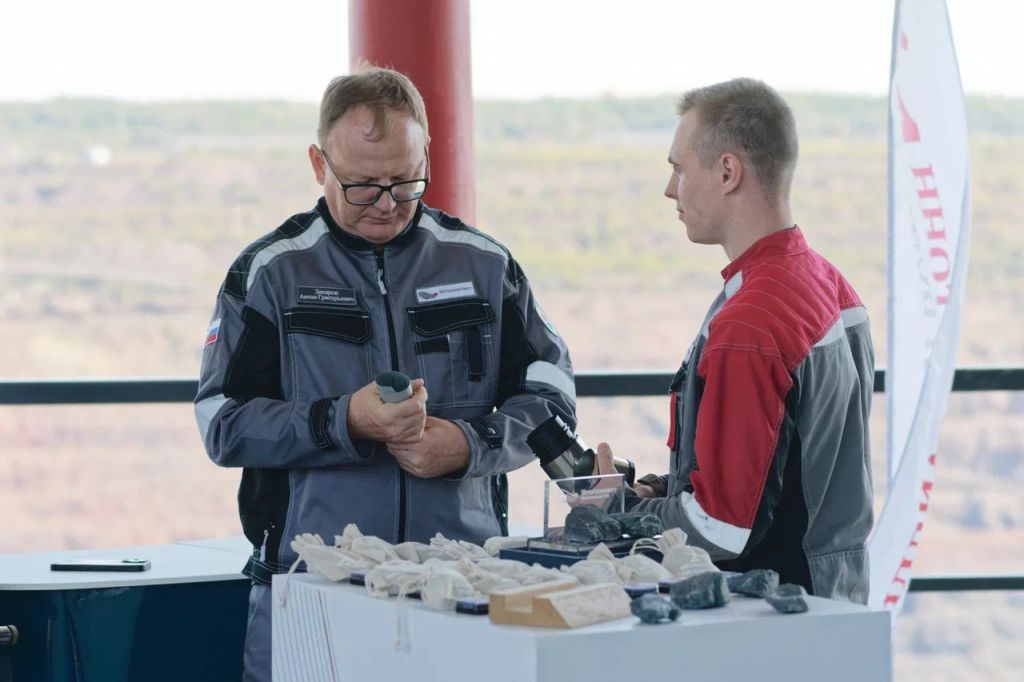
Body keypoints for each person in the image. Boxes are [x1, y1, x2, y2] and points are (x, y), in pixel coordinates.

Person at [194, 67, 575, 680]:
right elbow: (222, 423)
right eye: (363, 186)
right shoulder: (270, 274)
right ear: (318, 164)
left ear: (427, 156)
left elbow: (552, 394)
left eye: (405, 181)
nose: (387, 203)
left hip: (463, 588)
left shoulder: (484, 264)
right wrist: (343, 421)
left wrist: (471, 444)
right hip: (312, 589)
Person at [594, 78, 874, 603]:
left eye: (679, 169)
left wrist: (615, 511)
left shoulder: (750, 324)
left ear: (728, 172)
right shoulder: (828, 283)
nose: (670, 189)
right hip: (833, 602)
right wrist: (661, 491)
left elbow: (721, 529)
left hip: (771, 617)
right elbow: (785, 478)